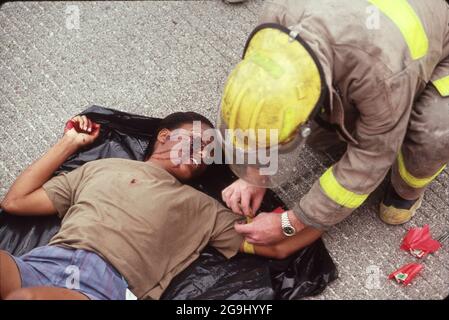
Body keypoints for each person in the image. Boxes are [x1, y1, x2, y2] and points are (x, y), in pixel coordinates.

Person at [0, 113, 320, 300]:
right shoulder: (102, 167)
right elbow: (16, 201)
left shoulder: (201, 208)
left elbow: (279, 248)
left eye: (210, 152)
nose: (203, 152)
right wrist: (70, 142)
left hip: (99, 286)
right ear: (165, 136)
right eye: (197, 140)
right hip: (40, 262)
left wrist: (322, 211)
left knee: (26, 299)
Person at [219, 0, 449, 245]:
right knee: (322, 137)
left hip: (433, 49)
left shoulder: (382, 74)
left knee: (433, 132)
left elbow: (369, 158)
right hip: (380, 52)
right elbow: (263, 99)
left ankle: (406, 190)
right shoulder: (277, 17)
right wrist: (255, 174)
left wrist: (290, 224)